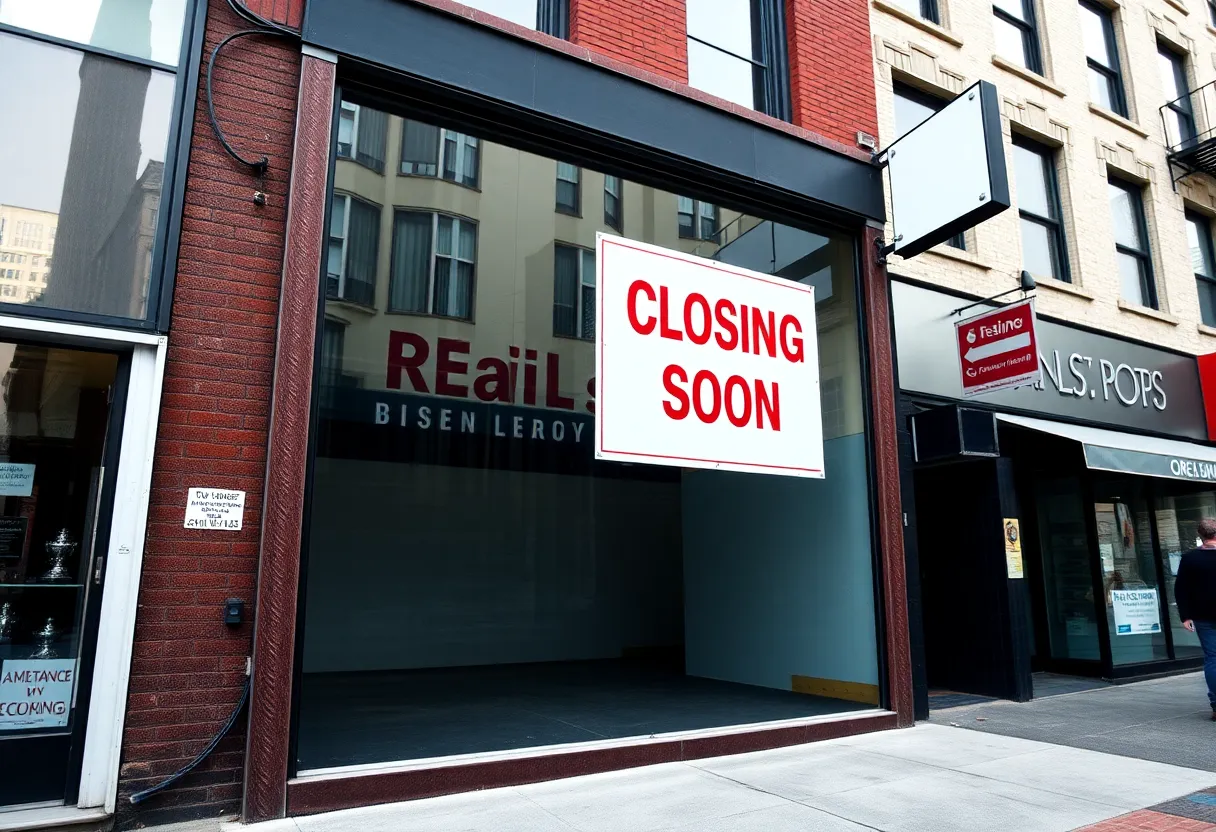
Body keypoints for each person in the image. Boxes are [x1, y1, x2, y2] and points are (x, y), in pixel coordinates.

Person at [1175, 517, 1216, 721]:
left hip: (1202, 616)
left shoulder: (1189, 558)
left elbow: (1181, 589)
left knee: (1213, 658)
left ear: (1200, 536)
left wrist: (1185, 616)